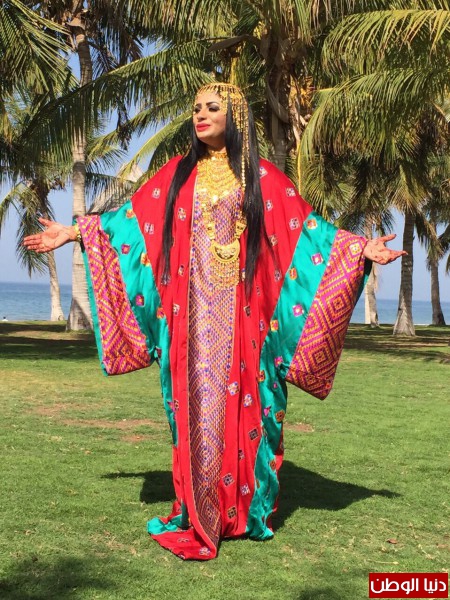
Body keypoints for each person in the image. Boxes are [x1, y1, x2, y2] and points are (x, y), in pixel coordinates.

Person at [23, 82, 405, 561]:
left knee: (252, 411)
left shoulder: (263, 179)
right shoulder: (178, 175)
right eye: (196, 109)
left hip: (247, 324)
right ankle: (198, 508)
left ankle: (244, 513)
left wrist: (360, 248)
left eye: (212, 108)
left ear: (235, 116)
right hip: (190, 325)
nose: (200, 115)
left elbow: (309, 233)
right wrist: (74, 232)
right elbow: (128, 223)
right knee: (193, 414)